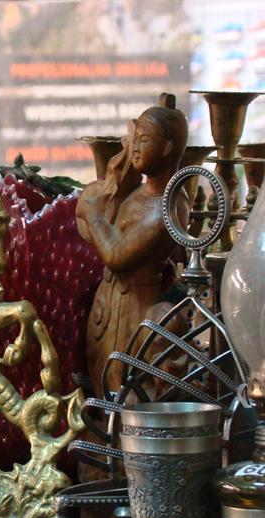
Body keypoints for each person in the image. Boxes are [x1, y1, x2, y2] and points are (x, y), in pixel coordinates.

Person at [76, 93, 190, 399]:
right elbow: (92, 232)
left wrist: (94, 215)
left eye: (144, 139)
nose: (135, 147)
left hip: (138, 311)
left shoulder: (168, 206)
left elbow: (116, 255)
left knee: (132, 393)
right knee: (104, 392)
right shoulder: (135, 193)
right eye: (134, 139)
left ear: (167, 147)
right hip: (107, 308)